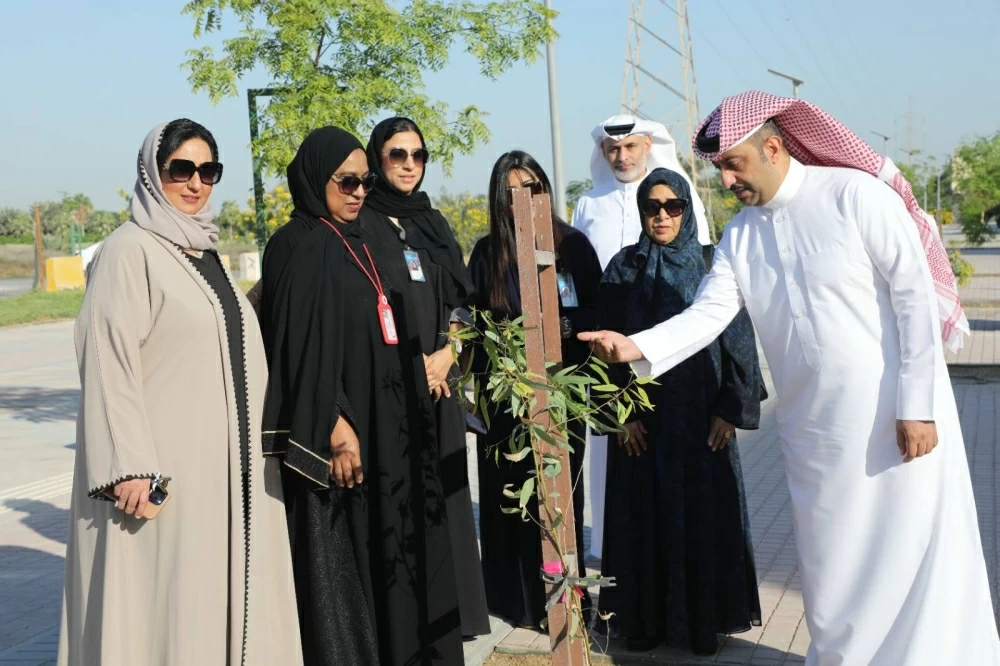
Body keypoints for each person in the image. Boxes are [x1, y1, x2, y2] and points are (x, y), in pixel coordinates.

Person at [580, 91, 1000, 666]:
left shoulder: (855, 197)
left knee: (914, 545)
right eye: (721, 168)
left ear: (774, 147)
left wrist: (918, 404)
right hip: (813, 429)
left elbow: (913, 301)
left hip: (894, 415)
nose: (726, 181)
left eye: (734, 164)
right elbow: (707, 315)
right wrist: (635, 347)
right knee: (833, 561)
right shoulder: (741, 237)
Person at [59, 120, 302, 666]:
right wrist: (129, 465)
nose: (195, 183)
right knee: (164, 611)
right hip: (158, 476)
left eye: (208, 171)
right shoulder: (130, 250)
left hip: (226, 474)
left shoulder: (202, 252)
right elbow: (106, 359)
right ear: (153, 173)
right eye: (181, 170)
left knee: (217, 600)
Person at [260, 126, 463, 666]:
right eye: (346, 180)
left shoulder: (354, 240)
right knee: (346, 561)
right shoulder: (298, 242)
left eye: (364, 182)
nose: (357, 191)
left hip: (386, 421)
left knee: (390, 546)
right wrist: (333, 421)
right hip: (346, 432)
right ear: (314, 179)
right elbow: (294, 344)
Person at [598, 167, 763, 655]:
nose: (663, 215)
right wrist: (619, 414)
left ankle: (701, 624)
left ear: (688, 210)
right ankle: (644, 621)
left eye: (674, 207)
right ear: (641, 212)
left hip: (700, 420)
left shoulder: (713, 263)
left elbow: (740, 344)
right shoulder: (622, 268)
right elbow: (603, 350)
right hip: (641, 424)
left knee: (702, 515)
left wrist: (730, 411)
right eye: (653, 207)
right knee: (642, 516)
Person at [361, 116, 490, 638]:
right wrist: (412, 363)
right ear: (377, 158)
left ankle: (448, 613)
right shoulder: (362, 223)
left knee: (444, 496)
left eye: (418, 155)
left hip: (441, 383)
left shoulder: (433, 223)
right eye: (397, 154)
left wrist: (447, 355)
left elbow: (464, 302)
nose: (409, 165)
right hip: (391, 386)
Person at [467, 150, 603, 628]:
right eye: (511, 193)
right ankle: (516, 602)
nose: (522, 201)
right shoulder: (487, 253)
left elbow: (596, 314)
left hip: (562, 397)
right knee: (512, 501)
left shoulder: (574, 247)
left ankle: (564, 598)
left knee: (560, 498)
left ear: (545, 191)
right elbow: (477, 322)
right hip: (507, 402)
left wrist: (554, 326)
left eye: (532, 189)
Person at [571, 114, 713, 560]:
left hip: (678, 357)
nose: (622, 156)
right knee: (611, 455)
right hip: (611, 353)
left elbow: (705, 284)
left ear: (648, 146)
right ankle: (607, 543)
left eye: (631, 147)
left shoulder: (674, 196)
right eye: (613, 149)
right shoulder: (587, 204)